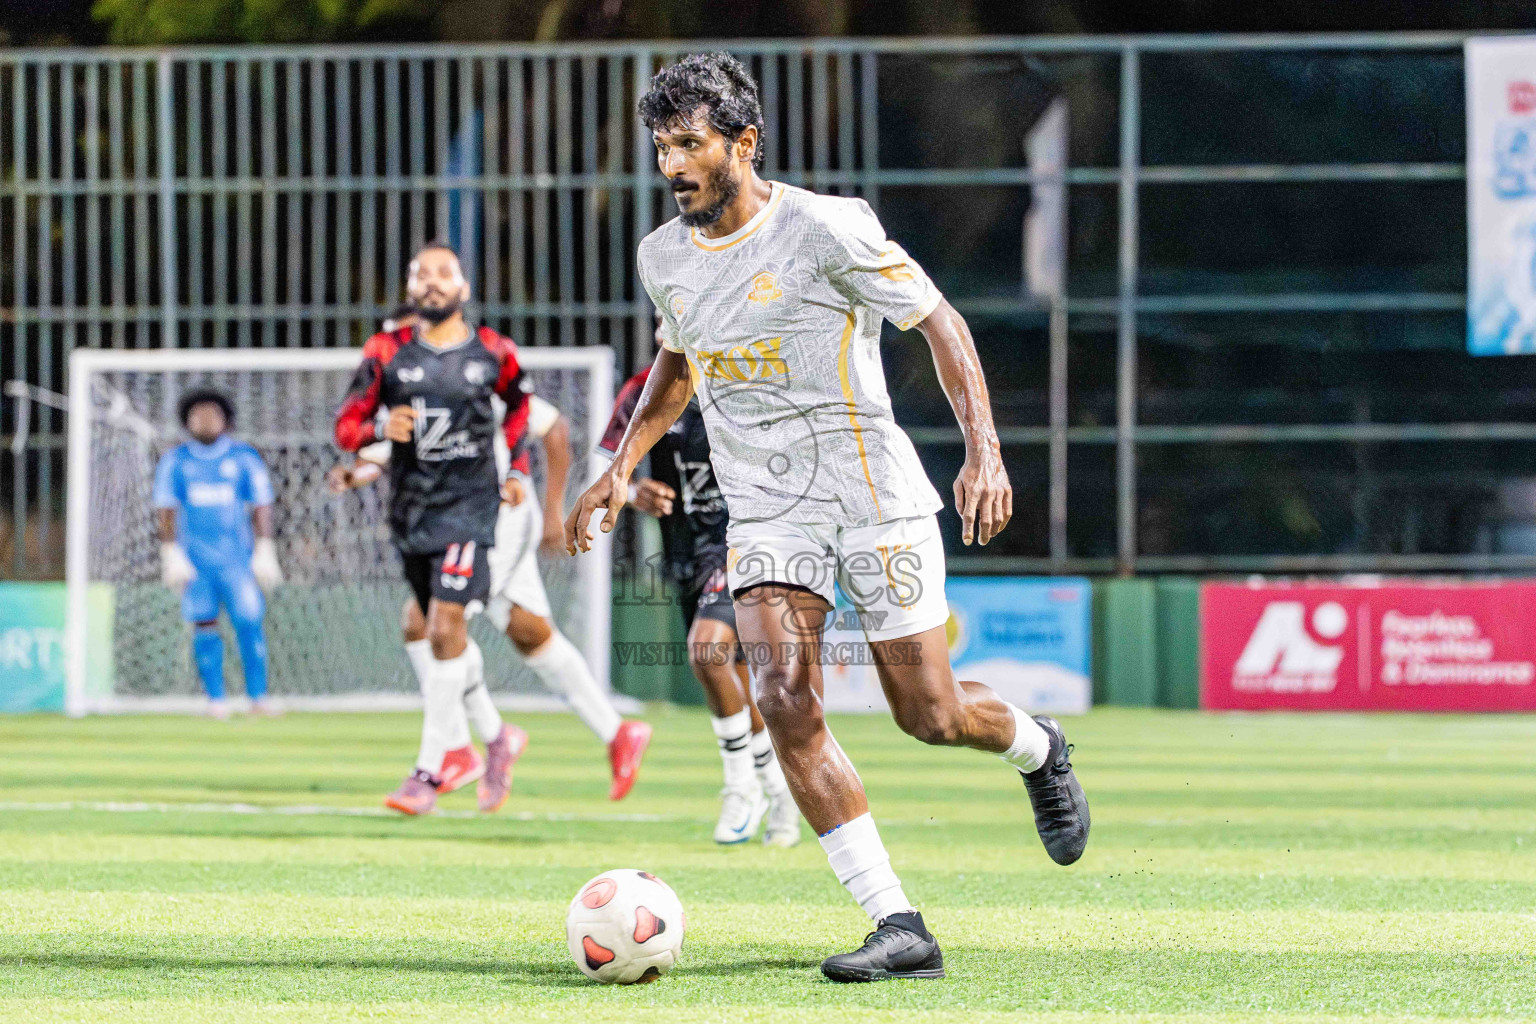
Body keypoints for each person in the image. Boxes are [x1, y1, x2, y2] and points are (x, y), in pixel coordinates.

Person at [568, 52, 1089, 982]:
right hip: (766, 508)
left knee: (928, 713)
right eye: (661, 145)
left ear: (744, 142)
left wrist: (986, 451)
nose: (673, 164)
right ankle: (899, 923)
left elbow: (940, 321)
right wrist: (619, 469)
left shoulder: (826, 227)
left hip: (871, 495)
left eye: (690, 143)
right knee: (783, 700)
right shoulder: (662, 257)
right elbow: (677, 367)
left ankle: (1039, 747)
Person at [335, 244, 651, 816]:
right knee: (527, 630)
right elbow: (402, 437)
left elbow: (549, 429)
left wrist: (546, 504)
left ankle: (456, 748)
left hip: (499, 513)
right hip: (446, 512)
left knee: (430, 621)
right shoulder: (403, 371)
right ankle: (611, 731)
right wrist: (364, 467)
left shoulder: (478, 363)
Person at [601, 334, 800, 847]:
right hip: (685, 547)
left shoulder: (751, 380)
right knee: (733, 673)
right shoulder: (646, 387)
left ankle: (739, 787)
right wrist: (634, 487)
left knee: (707, 651)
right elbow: (606, 460)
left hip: (747, 540)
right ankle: (778, 789)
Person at [153, 388, 283, 718]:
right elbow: (166, 509)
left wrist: (265, 549)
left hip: (237, 560)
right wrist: (170, 553)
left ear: (225, 420)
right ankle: (216, 700)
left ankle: (258, 697)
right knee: (204, 624)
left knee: (249, 621)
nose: (205, 420)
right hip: (195, 562)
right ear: (187, 421)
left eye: (212, 414)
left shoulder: (243, 458)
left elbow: (261, 504)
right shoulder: (176, 461)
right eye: (198, 415)